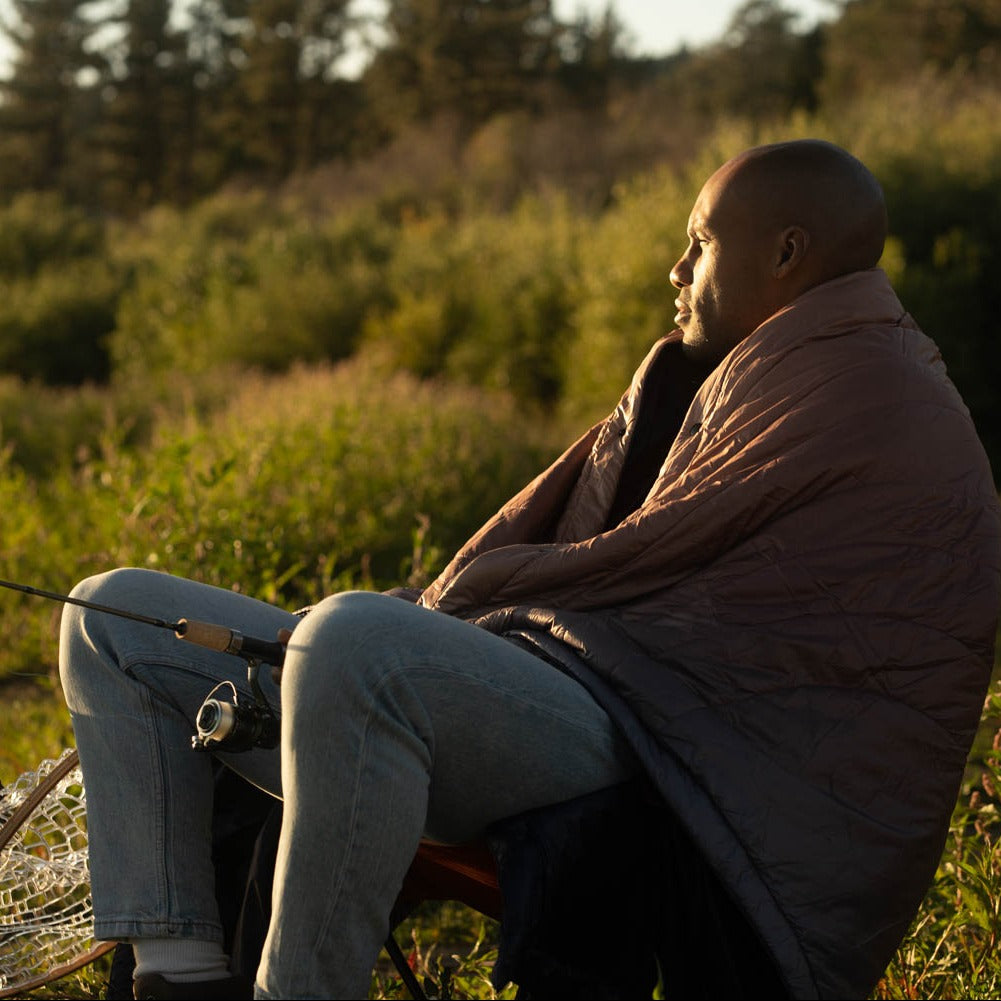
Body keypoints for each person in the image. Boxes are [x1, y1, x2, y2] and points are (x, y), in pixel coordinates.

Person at [60, 139, 1001, 1001]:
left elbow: (679, 607)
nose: (674, 272)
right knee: (113, 616)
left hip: (676, 755)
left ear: (786, 254)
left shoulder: (878, 392)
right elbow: (619, 563)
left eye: (699, 243)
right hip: (588, 687)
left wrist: (430, 631)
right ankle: (180, 973)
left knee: (358, 642)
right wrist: (445, 625)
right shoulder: (724, 373)